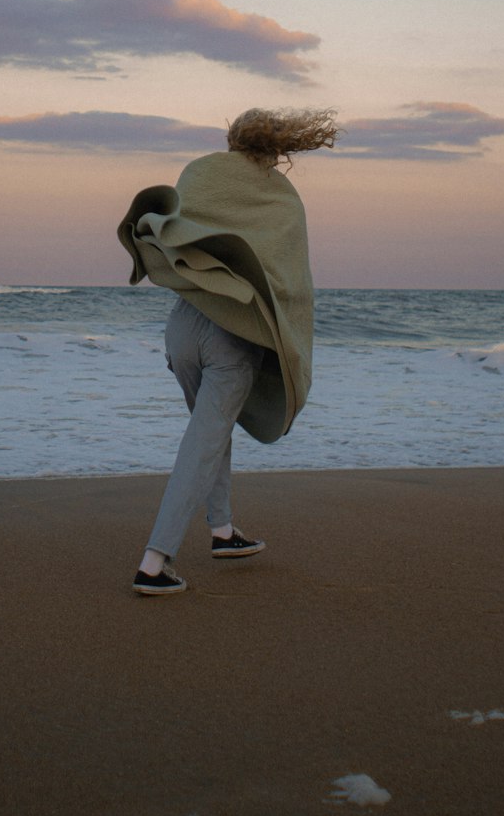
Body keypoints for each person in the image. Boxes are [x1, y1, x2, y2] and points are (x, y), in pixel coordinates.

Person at [117, 106, 338, 595]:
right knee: (202, 443)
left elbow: (180, 232)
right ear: (278, 147)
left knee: (209, 432)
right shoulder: (281, 196)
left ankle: (223, 532)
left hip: (181, 328)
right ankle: (154, 562)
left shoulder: (200, 172)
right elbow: (285, 276)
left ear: (232, 138)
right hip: (229, 334)